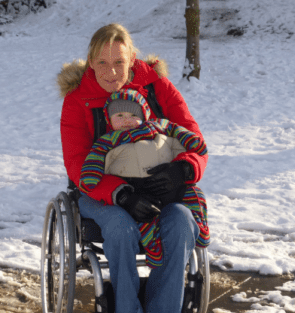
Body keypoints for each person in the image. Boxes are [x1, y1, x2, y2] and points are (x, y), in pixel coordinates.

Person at [58, 23, 208, 313]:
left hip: (160, 191)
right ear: (90, 62)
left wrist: (183, 169)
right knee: (120, 227)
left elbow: (192, 136)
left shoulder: (157, 87)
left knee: (182, 222)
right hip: (101, 193)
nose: (111, 72)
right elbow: (78, 164)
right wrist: (122, 193)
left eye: (119, 63)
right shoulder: (78, 101)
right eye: (102, 63)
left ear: (133, 60)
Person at [79, 88, 210, 270]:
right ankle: (153, 248)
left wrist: (191, 144)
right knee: (145, 218)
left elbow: (179, 132)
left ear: (145, 114)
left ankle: (200, 228)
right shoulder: (109, 140)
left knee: (194, 195)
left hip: (169, 183)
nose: (126, 120)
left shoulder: (158, 126)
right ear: (109, 120)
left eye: (133, 114)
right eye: (119, 115)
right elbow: (94, 160)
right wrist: (90, 177)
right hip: (137, 188)